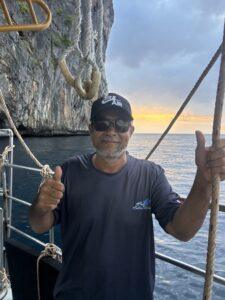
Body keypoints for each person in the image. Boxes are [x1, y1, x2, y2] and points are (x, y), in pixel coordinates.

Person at [29, 93, 225, 300]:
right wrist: (40, 206)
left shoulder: (151, 175)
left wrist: (203, 180)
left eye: (121, 124)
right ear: (91, 129)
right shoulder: (68, 171)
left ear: (131, 131)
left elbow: (182, 230)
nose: (111, 131)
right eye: (102, 124)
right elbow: (38, 225)